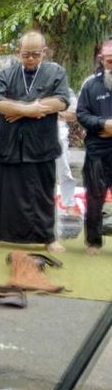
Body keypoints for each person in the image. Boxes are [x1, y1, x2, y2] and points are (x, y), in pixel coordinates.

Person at [0, 31, 70, 253]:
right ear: (18, 52)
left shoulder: (56, 72)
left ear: (44, 52)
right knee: (3, 191)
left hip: (41, 143)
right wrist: (28, 109)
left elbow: (61, 101)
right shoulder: (6, 73)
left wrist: (22, 111)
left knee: (42, 192)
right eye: (25, 54)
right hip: (9, 143)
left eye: (35, 54)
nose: (30, 59)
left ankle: (48, 237)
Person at [76, 40, 112, 255]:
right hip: (97, 150)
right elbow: (82, 114)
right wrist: (103, 124)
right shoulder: (91, 85)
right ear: (102, 61)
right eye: (109, 61)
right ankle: (93, 242)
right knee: (95, 196)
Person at [57, 89, 80, 216]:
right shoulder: (31, 85)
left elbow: (74, 115)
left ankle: (69, 204)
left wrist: (56, 114)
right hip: (35, 136)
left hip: (58, 136)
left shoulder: (66, 89)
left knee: (64, 170)